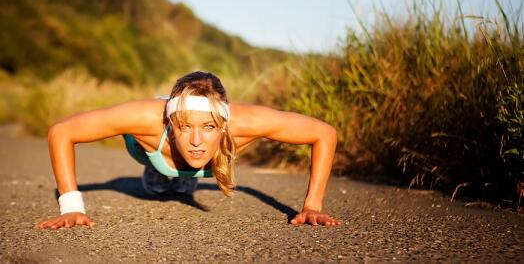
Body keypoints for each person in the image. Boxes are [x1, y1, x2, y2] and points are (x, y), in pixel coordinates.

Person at [36, 71, 341, 229]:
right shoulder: (146, 118)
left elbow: (324, 134)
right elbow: (61, 132)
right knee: (157, 185)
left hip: (203, 156)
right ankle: (164, 169)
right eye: (185, 127)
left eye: (208, 127)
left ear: (223, 124)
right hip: (150, 150)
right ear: (171, 123)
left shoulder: (245, 123)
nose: (196, 140)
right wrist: (72, 206)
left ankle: (185, 176)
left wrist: (312, 205)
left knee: (183, 182)